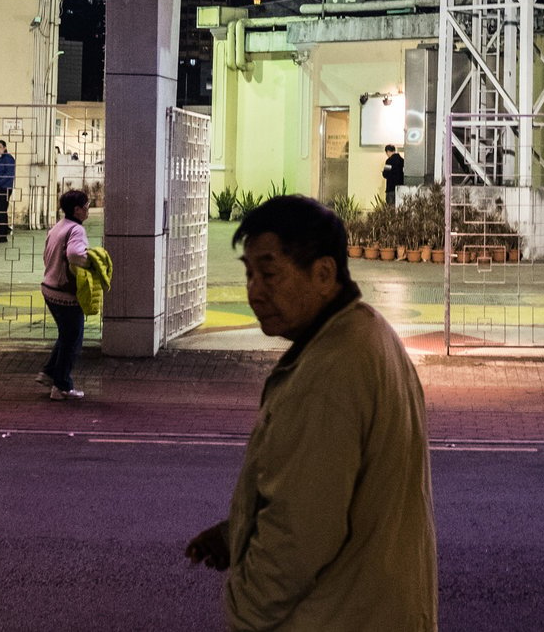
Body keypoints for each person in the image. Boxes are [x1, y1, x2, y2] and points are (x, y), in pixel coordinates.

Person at [185, 195, 436, 631]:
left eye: (269, 273)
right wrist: (238, 532)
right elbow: (319, 491)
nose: (254, 291)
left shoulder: (329, 372)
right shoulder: (369, 333)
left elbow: (300, 535)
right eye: (249, 273)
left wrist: (244, 613)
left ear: (323, 274)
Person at [40, 189, 92, 400]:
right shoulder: (76, 230)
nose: (87, 210)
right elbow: (74, 254)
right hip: (64, 293)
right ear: (77, 210)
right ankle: (61, 386)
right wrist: (91, 262)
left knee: (66, 335)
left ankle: (48, 372)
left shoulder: (58, 227)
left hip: (49, 287)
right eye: (86, 206)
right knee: (73, 340)